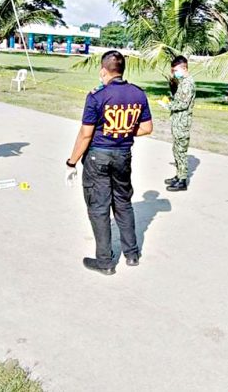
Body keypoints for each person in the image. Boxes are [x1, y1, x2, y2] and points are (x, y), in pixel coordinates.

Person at [65, 50, 153, 275]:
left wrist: (71, 161)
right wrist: (122, 131)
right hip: (123, 155)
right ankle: (132, 254)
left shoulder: (97, 96)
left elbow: (85, 134)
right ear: (122, 70)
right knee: (123, 203)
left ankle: (105, 261)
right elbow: (146, 128)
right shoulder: (138, 94)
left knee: (99, 207)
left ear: (103, 71)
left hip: (98, 157)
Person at [159, 55, 196, 192]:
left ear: (183, 68)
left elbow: (183, 104)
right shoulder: (183, 82)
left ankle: (182, 180)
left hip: (182, 122)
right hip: (178, 121)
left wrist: (167, 105)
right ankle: (178, 175)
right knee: (176, 150)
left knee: (181, 150)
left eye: (175, 70)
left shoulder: (188, 83)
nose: (174, 73)